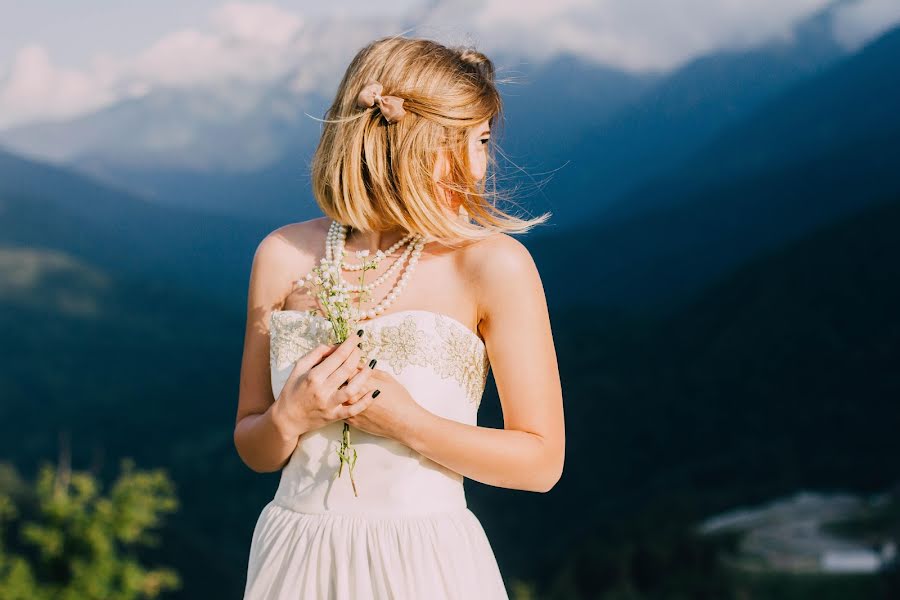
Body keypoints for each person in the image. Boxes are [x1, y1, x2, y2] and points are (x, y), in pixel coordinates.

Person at [234, 34, 565, 599]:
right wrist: (290, 416)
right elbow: (253, 445)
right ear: (409, 142)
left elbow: (541, 463)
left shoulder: (492, 265)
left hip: (423, 563)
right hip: (294, 558)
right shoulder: (282, 256)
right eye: (470, 142)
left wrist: (407, 422)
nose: (480, 166)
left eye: (483, 142)